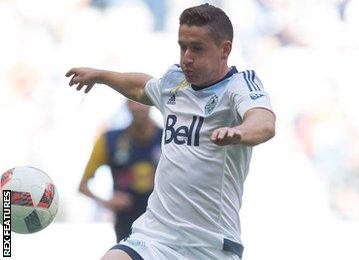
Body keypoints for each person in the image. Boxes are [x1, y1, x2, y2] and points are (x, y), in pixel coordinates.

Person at [66, 4, 276, 260]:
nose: (187, 57)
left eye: (197, 48)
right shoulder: (176, 81)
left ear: (225, 49)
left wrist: (239, 132)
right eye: (182, 46)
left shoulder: (239, 85)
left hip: (209, 246)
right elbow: (141, 88)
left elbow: (263, 122)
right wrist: (101, 75)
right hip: (155, 235)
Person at [79, 100, 162, 243]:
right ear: (127, 106)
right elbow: (83, 186)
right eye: (133, 102)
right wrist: (107, 202)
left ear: (152, 103)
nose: (138, 107)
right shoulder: (109, 140)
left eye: (142, 101)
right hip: (127, 229)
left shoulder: (169, 139)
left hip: (162, 227)